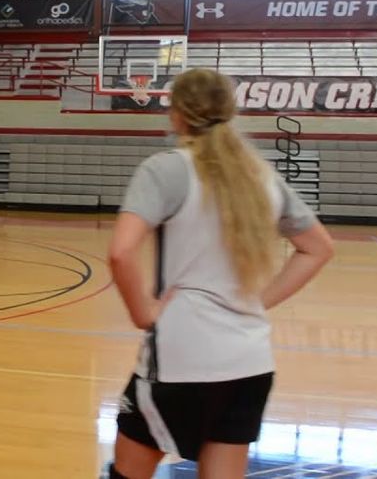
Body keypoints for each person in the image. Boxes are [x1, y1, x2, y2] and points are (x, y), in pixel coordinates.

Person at [106, 68, 334, 479]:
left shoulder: (166, 169)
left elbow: (121, 253)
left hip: (180, 359)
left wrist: (143, 313)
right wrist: (257, 302)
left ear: (177, 114)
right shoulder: (260, 176)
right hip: (250, 362)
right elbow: (318, 248)